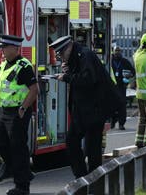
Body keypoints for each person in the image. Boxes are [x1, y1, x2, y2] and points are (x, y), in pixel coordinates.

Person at [50, 35, 117, 178]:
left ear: (69, 47)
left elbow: (88, 79)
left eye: (62, 54)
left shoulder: (85, 55)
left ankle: (93, 183)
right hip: (83, 110)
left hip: (96, 109)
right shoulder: (77, 56)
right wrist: (68, 70)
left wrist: (67, 77)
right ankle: (82, 178)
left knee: (93, 148)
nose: (61, 57)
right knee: (72, 141)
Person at [0, 34, 38, 195]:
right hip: (3, 111)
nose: (2, 50)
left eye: (5, 47)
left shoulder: (23, 66)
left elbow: (34, 90)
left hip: (17, 112)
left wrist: (23, 108)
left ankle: (22, 186)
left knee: (18, 147)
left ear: (14, 48)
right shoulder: (4, 64)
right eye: (2, 47)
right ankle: (23, 173)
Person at [110, 44, 135, 130]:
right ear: (113, 51)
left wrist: (128, 76)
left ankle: (121, 123)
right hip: (111, 87)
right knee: (111, 105)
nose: (117, 52)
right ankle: (112, 122)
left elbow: (133, 72)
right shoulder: (110, 60)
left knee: (122, 105)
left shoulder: (125, 61)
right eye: (116, 50)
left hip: (121, 86)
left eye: (119, 51)